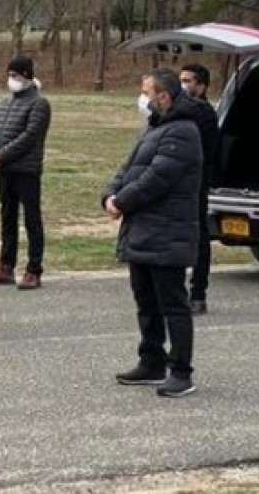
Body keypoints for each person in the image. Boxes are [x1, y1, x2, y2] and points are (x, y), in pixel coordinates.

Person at [102, 69, 203, 397]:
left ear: (164, 96)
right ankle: (152, 361)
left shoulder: (184, 132)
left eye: (147, 92)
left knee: (173, 304)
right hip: (142, 230)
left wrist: (123, 201)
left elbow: (157, 178)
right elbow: (128, 169)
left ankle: (181, 371)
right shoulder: (154, 128)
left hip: (167, 231)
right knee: (145, 301)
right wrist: (110, 194)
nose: (142, 98)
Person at [0, 57, 52, 290]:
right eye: (10, 75)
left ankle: (33, 269)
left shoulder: (39, 104)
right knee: (7, 218)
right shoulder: (4, 102)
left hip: (26, 170)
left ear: (28, 76)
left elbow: (30, 137)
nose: (12, 80)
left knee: (32, 219)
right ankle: (6, 266)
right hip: (4, 170)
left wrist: (2, 155)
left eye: (17, 76)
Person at [179, 63, 219, 314]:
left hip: (197, 182)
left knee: (199, 237)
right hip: (177, 181)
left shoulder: (204, 112)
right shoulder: (181, 109)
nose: (183, 85)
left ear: (201, 86)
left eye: (188, 81)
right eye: (180, 80)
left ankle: (198, 291)